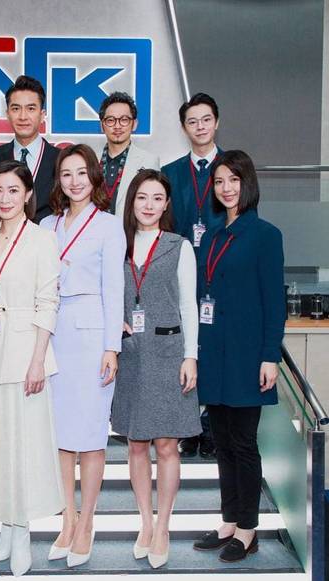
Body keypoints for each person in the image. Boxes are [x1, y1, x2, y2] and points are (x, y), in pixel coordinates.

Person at [0, 160, 64, 577]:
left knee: (23, 449)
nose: (4, 199)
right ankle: (4, 535)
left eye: (13, 191)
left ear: (28, 195)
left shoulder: (43, 239)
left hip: (25, 356)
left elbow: (48, 302)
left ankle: (22, 537)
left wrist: (38, 359)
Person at [192, 150, 284, 562]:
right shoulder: (212, 237)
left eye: (234, 180)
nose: (226, 188)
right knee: (223, 442)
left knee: (244, 443)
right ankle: (229, 519)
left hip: (247, 356)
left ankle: (248, 529)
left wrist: (270, 356)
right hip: (214, 354)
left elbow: (274, 302)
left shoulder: (265, 235)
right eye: (219, 181)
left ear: (248, 183)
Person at [110, 169, 200, 569]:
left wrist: (190, 356)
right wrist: (112, 323)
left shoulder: (179, 247)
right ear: (131, 202)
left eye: (157, 198)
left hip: (168, 353)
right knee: (135, 443)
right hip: (130, 355)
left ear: (166, 205)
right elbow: (105, 292)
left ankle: (163, 526)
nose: (148, 205)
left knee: (166, 445)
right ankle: (145, 523)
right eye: (142, 197)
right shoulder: (118, 244)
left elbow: (188, 305)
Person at [41, 144, 125, 567]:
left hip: (92, 337)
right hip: (53, 334)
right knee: (59, 436)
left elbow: (115, 288)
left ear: (94, 177)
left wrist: (112, 347)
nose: (74, 181)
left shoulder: (109, 225)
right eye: (66, 174)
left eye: (81, 173)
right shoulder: (47, 224)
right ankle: (67, 519)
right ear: (58, 180)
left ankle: (88, 521)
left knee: (90, 436)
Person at [162, 92, 224, 459]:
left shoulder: (232, 169)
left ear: (217, 122)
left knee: (213, 348)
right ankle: (188, 427)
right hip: (180, 274)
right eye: (192, 121)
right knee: (184, 348)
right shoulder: (171, 172)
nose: (200, 127)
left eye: (206, 120)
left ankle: (212, 426)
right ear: (184, 127)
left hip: (221, 273)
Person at [0, 76, 60, 229]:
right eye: (16, 109)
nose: (23, 116)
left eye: (31, 109)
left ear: (42, 115)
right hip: (2, 242)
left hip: (48, 241)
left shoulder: (60, 159)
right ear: (7, 114)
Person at [98, 91, 159, 217]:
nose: (117, 126)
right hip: (95, 228)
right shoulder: (90, 159)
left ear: (134, 124)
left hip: (130, 228)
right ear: (102, 125)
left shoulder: (149, 161)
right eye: (110, 120)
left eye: (124, 120)